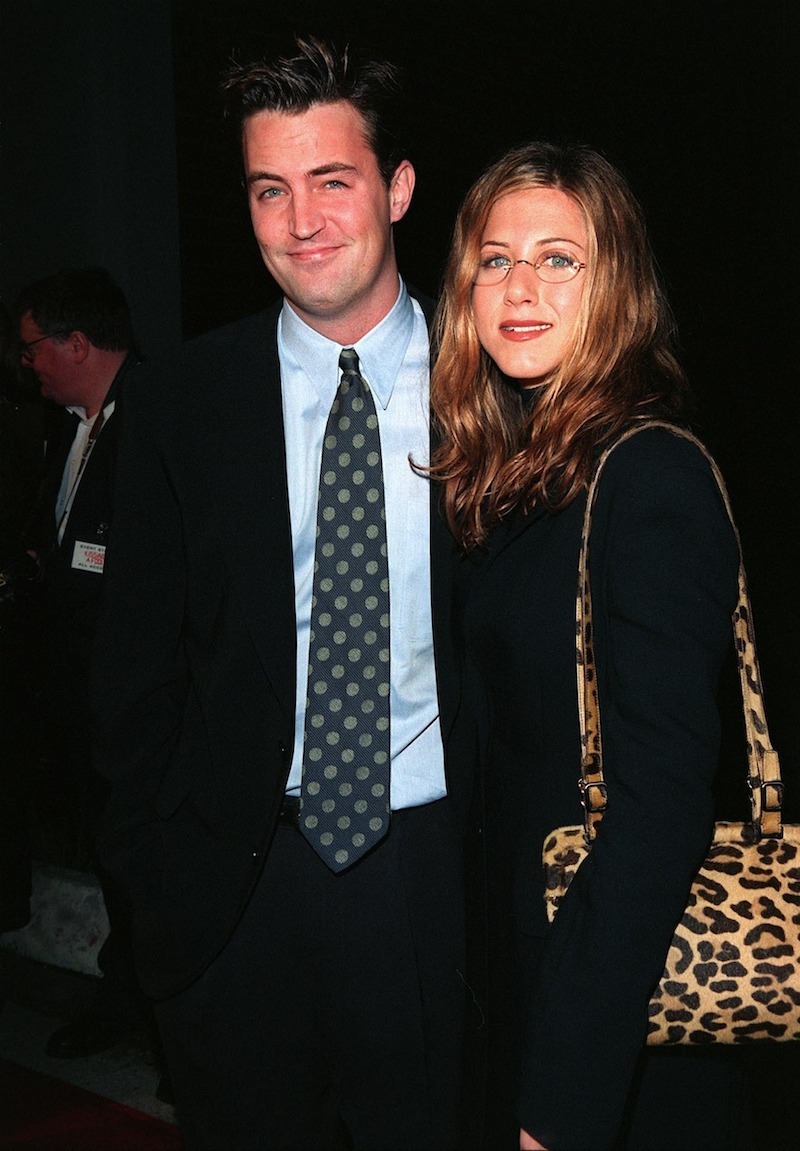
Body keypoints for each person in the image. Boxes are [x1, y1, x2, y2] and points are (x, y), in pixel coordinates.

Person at [89, 37, 476, 1151]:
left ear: (398, 189)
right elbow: (131, 671)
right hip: (232, 893)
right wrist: (149, 886)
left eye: (332, 180)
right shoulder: (181, 399)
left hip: (436, 882)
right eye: (270, 189)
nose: (301, 221)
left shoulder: (495, 387)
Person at [427, 141, 753, 1150]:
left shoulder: (648, 476)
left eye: (557, 259)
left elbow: (658, 810)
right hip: (519, 986)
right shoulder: (510, 476)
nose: (519, 287)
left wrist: (560, 1103)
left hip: (604, 1025)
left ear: (614, 285)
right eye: (494, 259)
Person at [15, 267, 156, 1060]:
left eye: (34, 344)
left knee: (148, 866)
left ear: (76, 342)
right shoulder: (69, 429)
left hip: (137, 708)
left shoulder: (159, 417)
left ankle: (166, 1022)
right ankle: (125, 997)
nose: (25, 361)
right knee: (114, 863)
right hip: (83, 703)